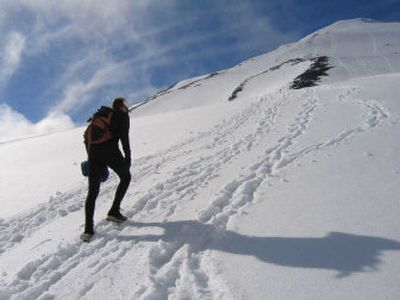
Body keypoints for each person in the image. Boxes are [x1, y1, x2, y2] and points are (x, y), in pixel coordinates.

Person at [81, 97, 131, 242]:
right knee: (126, 177)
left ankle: (88, 230)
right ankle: (114, 211)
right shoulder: (122, 116)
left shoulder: (100, 115)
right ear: (122, 107)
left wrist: (91, 157)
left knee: (92, 192)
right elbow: (125, 140)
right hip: (110, 151)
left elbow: (86, 137)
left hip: (93, 153)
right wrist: (128, 159)